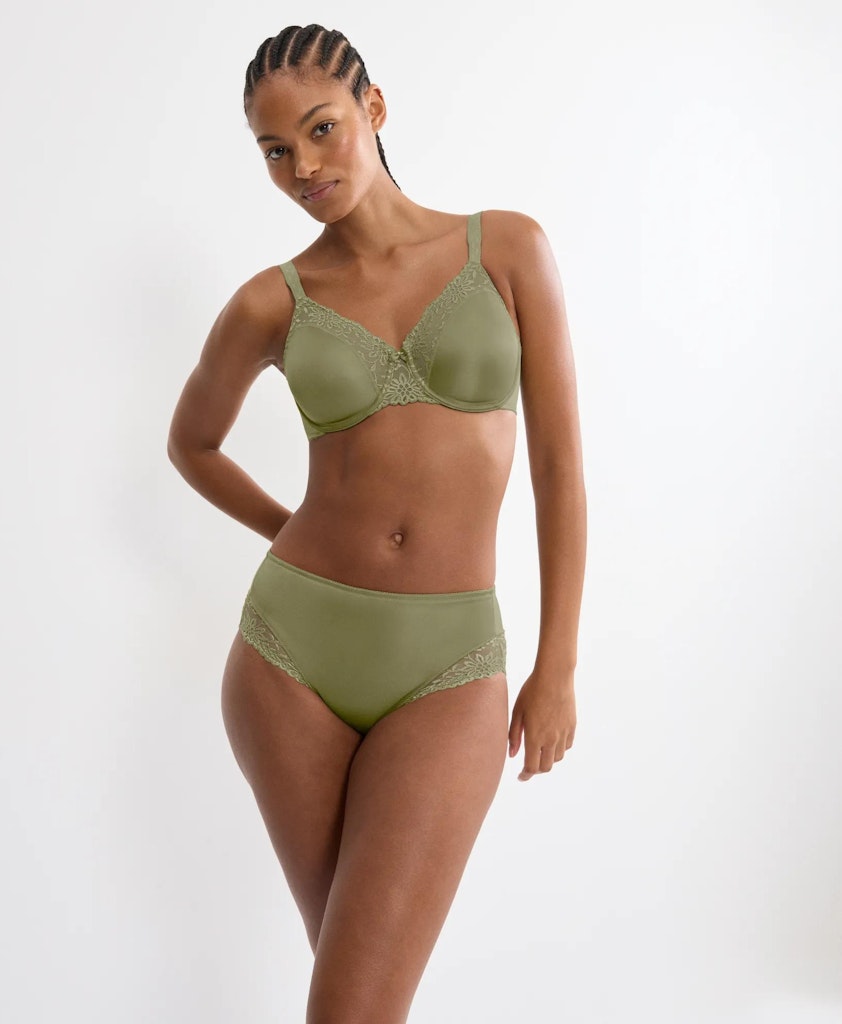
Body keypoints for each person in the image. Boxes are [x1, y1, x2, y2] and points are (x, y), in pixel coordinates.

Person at [167, 22, 586, 1024]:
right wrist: (288, 529)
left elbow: (559, 468)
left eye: (322, 129)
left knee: (356, 999)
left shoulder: (506, 248)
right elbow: (192, 445)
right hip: (290, 659)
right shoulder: (272, 302)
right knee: (358, 1001)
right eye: (276, 150)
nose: (303, 167)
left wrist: (557, 664)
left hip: (451, 667)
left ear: (375, 109)